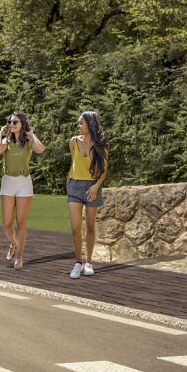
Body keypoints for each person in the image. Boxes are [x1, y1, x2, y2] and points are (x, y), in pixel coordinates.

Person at [0, 111, 45, 270]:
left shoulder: (29, 142)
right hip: (8, 182)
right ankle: (12, 243)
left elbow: (41, 150)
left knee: (21, 222)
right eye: (10, 122)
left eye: (15, 122)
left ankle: (20, 257)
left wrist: (32, 134)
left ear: (22, 124)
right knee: (6, 223)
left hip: (24, 183)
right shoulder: (6, 141)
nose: (11, 124)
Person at [67, 111, 109, 279]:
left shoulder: (102, 144)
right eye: (78, 123)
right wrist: (68, 183)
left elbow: (104, 170)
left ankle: (89, 262)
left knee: (90, 226)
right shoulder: (73, 142)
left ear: (90, 124)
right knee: (75, 227)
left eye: (81, 123)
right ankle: (78, 262)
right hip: (74, 187)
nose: (79, 126)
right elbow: (73, 164)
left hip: (92, 187)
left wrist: (96, 186)